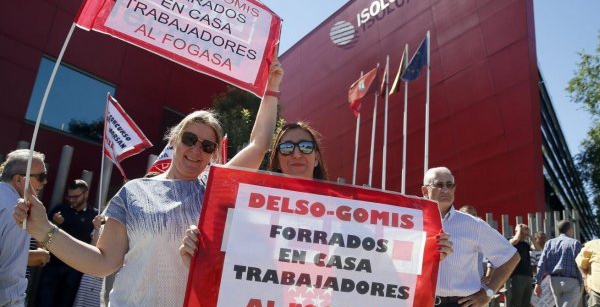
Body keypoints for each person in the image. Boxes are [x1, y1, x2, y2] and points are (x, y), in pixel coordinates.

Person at [12, 60, 284, 307]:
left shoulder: (213, 191)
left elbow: (258, 145)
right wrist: (43, 230)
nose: (196, 150)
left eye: (207, 146)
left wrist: (271, 88)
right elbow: (103, 262)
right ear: (175, 139)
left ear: (213, 155)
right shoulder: (134, 192)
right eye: (189, 139)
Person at [180, 123, 454, 265]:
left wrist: (426, 252)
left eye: (305, 146)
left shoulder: (345, 209)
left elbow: (377, 255)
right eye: (286, 148)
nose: (296, 153)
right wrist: (200, 241)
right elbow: (222, 250)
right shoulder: (248, 206)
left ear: (317, 157)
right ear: (276, 158)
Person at [423, 167, 520, 307]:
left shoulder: (473, 225)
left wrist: (487, 293)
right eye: (439, 185)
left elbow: (511, 257)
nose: (445, 189)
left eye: (449, 185)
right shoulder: (411, 220)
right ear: (424, 190)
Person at [36, 179, 97, 307]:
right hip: (53, 265)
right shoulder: (60, 210)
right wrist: (55, 225)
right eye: (69, 197)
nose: (72, 200)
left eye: (76, 197)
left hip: (75, 269)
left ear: (86, 194)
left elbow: (94, 245)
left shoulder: (93, 216)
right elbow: (44, 240)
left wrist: (98, 227)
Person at [0, 149, 49, 307]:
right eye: (41, 176)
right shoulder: (18, 211)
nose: (45, 182)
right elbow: (11, 275)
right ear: (19, 179)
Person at [533, 220, 582, 307]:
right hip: (572, 281)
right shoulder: (575, 243)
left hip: (554, 281)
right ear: (570, 229)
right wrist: (582, 282)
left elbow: (541, 263)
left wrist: (538, 283)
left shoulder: (549, 243)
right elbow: (579, 265)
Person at [459, 205, 492, 307]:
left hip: (478, 291)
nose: (472, 218)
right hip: (457, 292)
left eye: (474, 215)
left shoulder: (480, 235)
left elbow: (498, 256)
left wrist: (489, 275)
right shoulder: (454, 234)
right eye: (468, 215)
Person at [69, 214, 105, 307]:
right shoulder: (102, 228)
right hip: (90, 281)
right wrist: (97, 229)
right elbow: (92, 251)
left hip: (106, 285)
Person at [530, 231, 559, 307]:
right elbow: (531, 268)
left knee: (552, 306)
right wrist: (542, 272)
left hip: (549, 282)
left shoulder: (548, 252)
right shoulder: (532, 252)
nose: (543, 240)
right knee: (537, 306)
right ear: (535, 239)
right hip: (537, 282)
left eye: (544, 238)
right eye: (541, 237)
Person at [507, 223, 533, 307]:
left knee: (526, 305)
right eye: (522, 233)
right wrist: (519, 229)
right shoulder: (510, 239)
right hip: (517, 276)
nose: (523, 235)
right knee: (515, 304)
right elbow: (515, 241)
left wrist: (530, 235)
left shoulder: (526, 244)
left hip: (528, 276)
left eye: (525, 234)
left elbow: (537, 248)